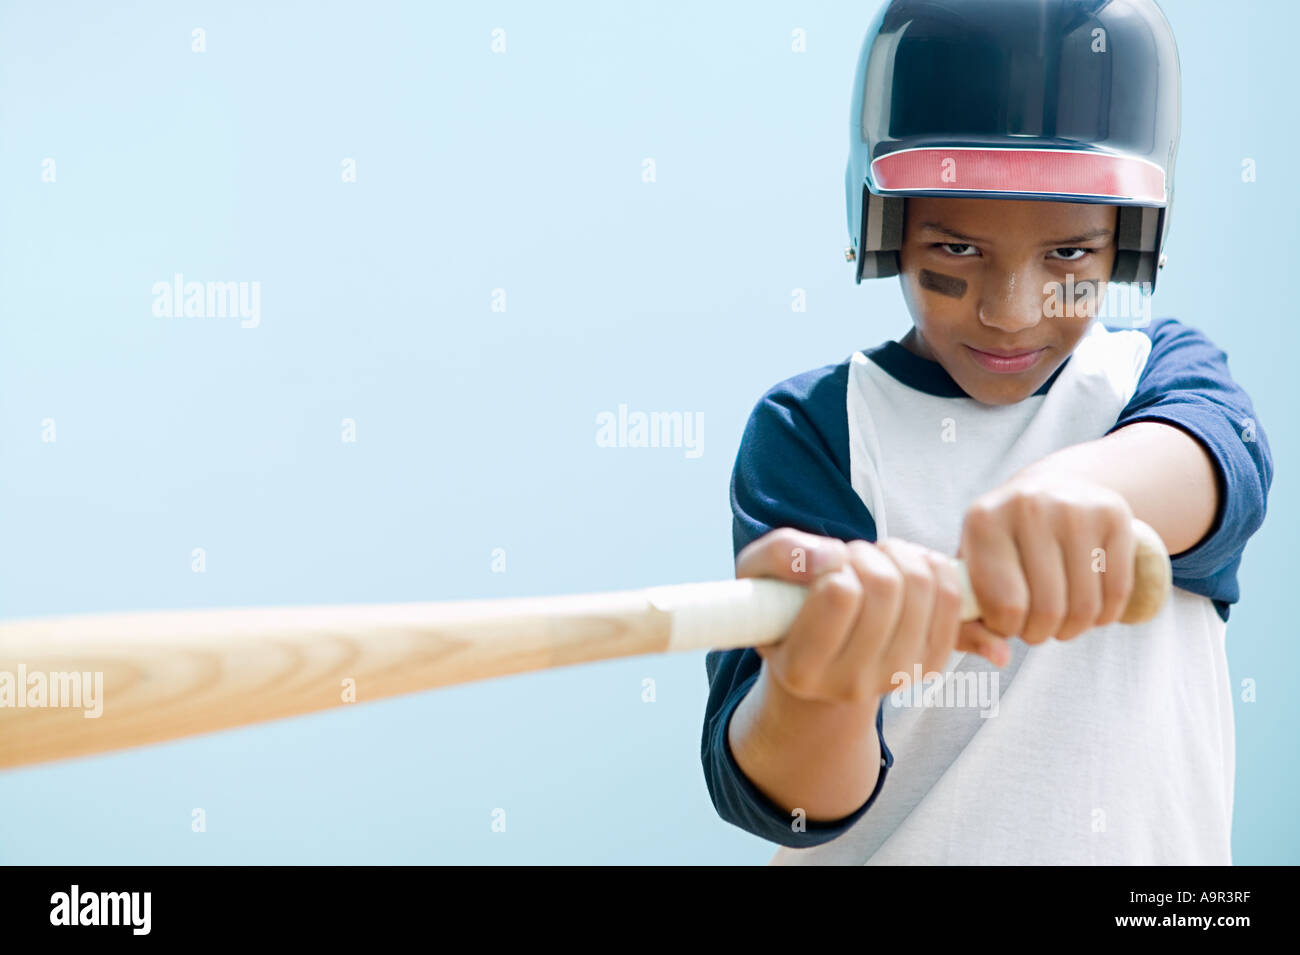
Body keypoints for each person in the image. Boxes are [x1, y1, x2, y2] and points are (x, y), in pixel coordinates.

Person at [701, 0, 1273, 864]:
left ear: (1128, 238)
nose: (1012, 313)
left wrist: (1075, 494)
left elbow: (1218, 466)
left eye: (1070, 256)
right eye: (957, 252)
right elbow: (793, 800)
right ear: (887, 229)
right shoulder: (819, 429)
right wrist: (820, 691)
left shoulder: (1152, 380)